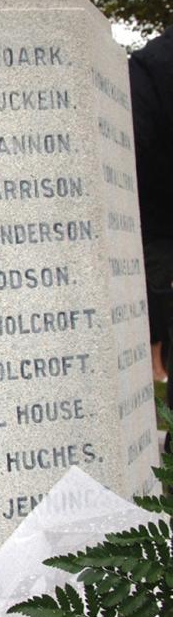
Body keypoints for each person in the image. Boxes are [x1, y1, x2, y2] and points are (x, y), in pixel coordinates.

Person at [130, 27, 173, 388]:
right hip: (158, 217)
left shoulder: (149, 63)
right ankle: (156, 362)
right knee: (156, 291)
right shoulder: (152, 64)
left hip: (156, 215)